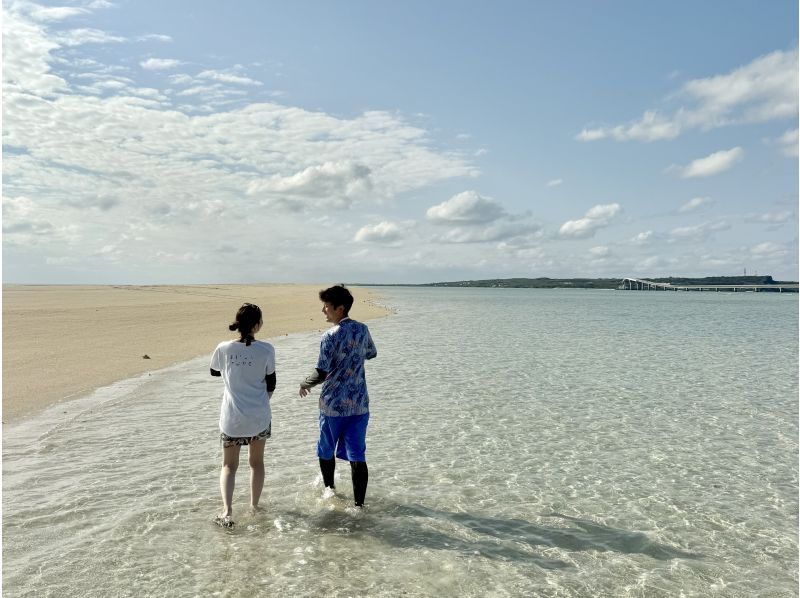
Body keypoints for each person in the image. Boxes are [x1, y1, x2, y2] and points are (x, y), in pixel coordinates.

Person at [299, 285, 377, 507]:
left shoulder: (329, 336)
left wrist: (304, 383)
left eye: (326, 306)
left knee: (326, 449)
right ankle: (359, 506)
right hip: (360, 404)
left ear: (340, 309)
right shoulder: (362, 329)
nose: (323, 310)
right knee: (357, 455)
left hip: (333, 405)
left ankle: (329, 491)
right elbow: (372, 353)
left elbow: (321, 372)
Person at [210, 303, 276, 528]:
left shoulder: (224, 348)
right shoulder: (266, 349)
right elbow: (272, 383)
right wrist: (261, 401)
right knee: (256, 463)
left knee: (229, 466)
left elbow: (214, 371)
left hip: (231, 418)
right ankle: (254, 507)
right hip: (258, 416)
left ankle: (227, 511)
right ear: (257, 326)